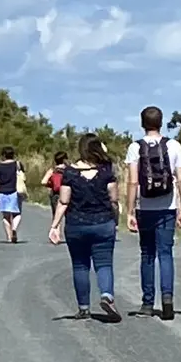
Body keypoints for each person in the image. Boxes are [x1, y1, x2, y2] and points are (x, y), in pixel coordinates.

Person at [123, 106, 181, 320]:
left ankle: (147, 303)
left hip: (145, 208)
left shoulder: (135, 147)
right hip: (168, 206)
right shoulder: (174, 146)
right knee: (166, 253)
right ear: (161, 122)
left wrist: (130, 210)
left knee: (147, 254)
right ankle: (168, 299)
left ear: (142, 123)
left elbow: (133, 181)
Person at [47, 134, 122, 322]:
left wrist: (54, 226)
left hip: (76, 225)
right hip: (103, 223)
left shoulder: (70, 173)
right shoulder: (106, 171)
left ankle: (83, 308)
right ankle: (106, 295)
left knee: (80, 266)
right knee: (104, 264)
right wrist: (115, 221)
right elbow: (114, 200)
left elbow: (64, 201)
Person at [0, 146, 25, 244]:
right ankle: (14, 229)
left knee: (6, 216)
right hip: (15, 191)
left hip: (2, 192)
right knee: (17, 214)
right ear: (13, 154)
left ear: (3, 155)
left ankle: (9, 237)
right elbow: (23, 176)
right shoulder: (17, 164)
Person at [39, 150, 68, 231]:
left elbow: (43, 182)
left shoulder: (52, 170)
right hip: (68, 194)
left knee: (56, 215)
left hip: (55, 194)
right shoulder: (69, 170)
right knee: (69, 215)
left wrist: (51, 184)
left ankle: (56, 233)